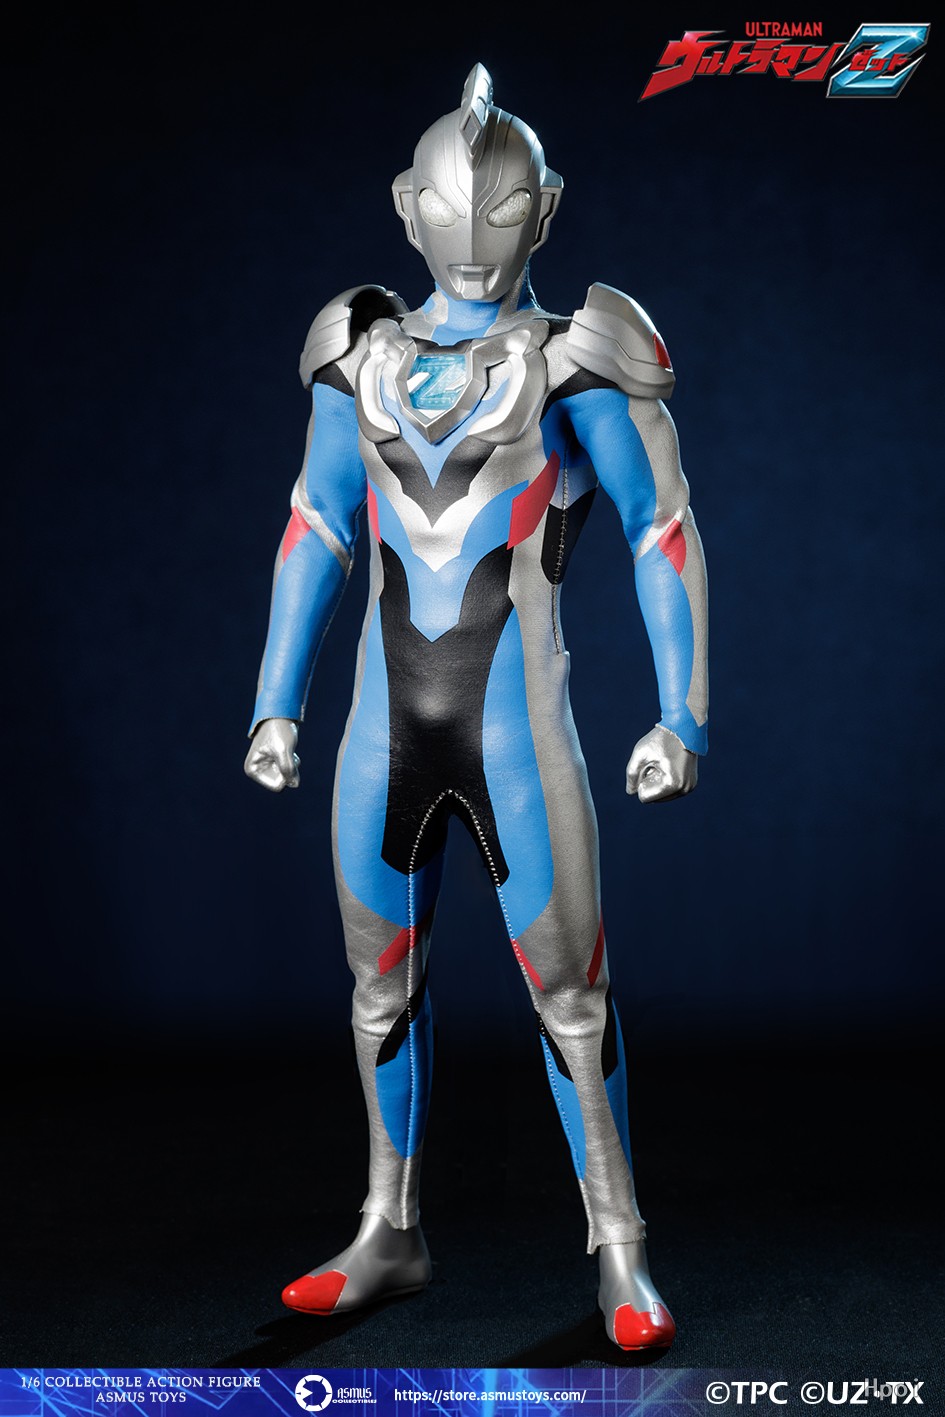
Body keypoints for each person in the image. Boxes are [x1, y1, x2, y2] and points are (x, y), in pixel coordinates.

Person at [244, 63, 707, 1353]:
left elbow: (664, 530)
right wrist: (274, 702)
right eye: (452, 213)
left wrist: (683, 716)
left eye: (503, 215)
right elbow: (318, 521)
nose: (475, 241)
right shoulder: (361, 352)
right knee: (375, 986)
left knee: (572, 994)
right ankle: (387, 1225)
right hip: (383, 730)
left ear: (545, 210)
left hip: (517, 736)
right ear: (408, 210)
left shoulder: (578, 355)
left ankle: (621, 1247)